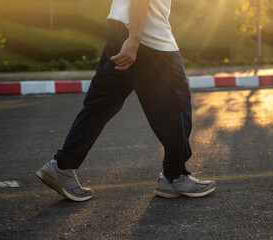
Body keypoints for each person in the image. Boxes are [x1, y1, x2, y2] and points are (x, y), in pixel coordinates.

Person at [36, 0, 216, 202]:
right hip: (148, 35)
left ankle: (62, 165)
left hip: (118, 25)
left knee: (100, 104)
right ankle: (174, 176)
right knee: (177, 104)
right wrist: (134, 39)